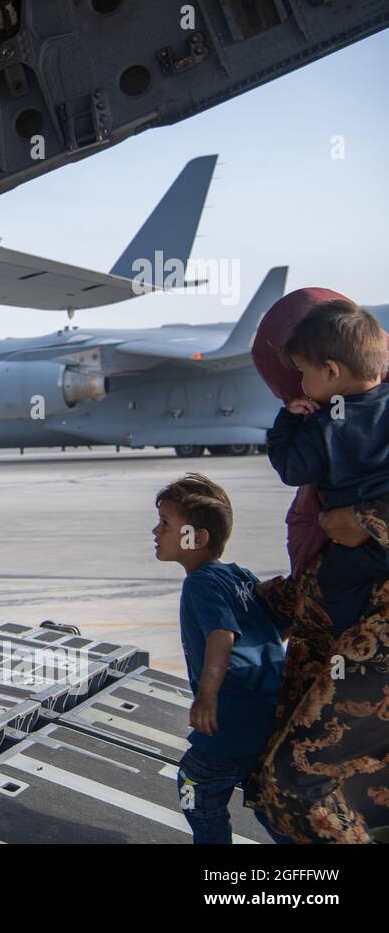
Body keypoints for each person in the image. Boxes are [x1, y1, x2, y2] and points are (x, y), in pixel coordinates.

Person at [246, 287, 389, 843]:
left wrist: (369, 517)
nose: (298, 391)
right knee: (272, 785)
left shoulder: (330, 427)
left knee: (294, 786)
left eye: (300, 377)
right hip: (339, 629)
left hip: (370, 631)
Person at [152, 474, 286, 844]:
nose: (155, 530)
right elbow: (273, 627)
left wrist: (207, 695)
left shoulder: (200, 583)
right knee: (265, 795)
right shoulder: (238, 576)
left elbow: (221, 635)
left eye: (166, 524)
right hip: (266, 701)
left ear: (198, 537)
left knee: (196, 780)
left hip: (234, 707)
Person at [264, 300, 389, 630]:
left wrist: (286, 425)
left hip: (361, 547)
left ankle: (348, 637)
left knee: (332, 587)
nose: (301, 384)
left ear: (331, 371)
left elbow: (292, 471)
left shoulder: (326, 424)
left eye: (303, 373)